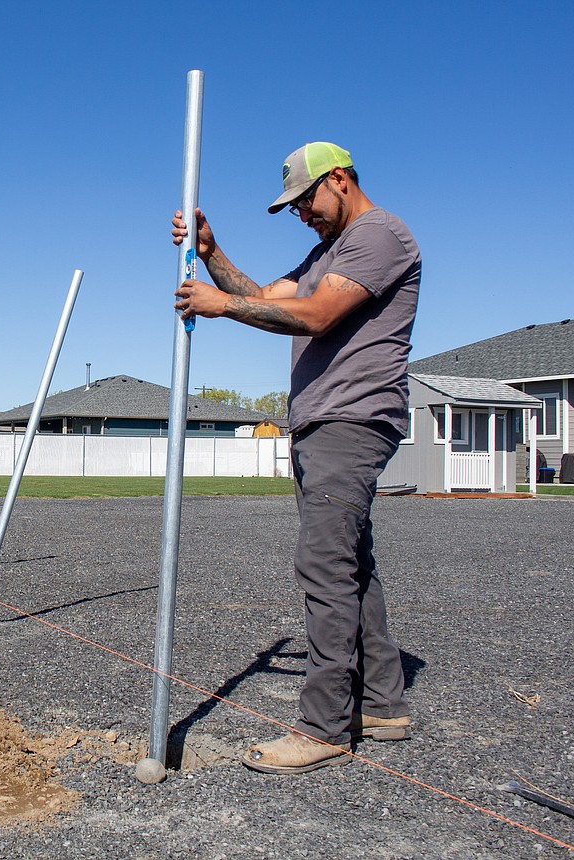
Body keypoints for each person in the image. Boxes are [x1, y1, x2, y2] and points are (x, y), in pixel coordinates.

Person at [171, 141, 421, 774]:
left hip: (351, 419)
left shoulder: (379, 235)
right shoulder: (326, 253)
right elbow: (265, 298)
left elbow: (313, 315)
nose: (301, 213)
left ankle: (325, 725)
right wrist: (211, 253)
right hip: (322, 422)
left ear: (339, 180)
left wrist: (218, 304)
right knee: (349, 564)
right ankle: (381, 703)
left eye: (305, 199)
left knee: (323, 567)